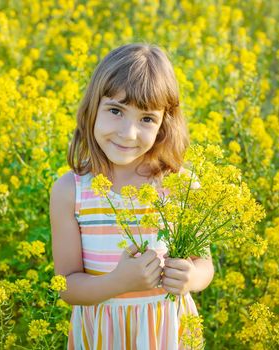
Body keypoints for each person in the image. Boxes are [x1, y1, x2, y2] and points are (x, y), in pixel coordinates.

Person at [50, 43, 214, 349]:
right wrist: (118, 283)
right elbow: (67, 286)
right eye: (115, 111)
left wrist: (190, 277)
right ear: (93, 108)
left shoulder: (181, 186)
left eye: (146, 119)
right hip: (103, 336)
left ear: (164, 124)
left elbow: (204, 265)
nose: (128, 133)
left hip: (166, 334)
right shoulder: (70, 191)